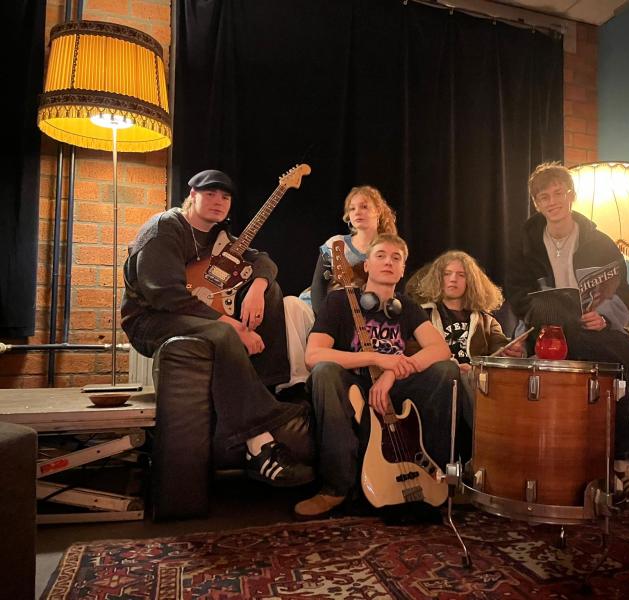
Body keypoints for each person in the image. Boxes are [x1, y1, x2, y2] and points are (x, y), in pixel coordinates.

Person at [121, 169, 313, 487]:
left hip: (190, 314)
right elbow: (164, 294)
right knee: (224, 333)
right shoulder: (165, 227)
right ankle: (261, 445)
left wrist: (257, 287)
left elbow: (262, 260)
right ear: (192, 195)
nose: (218, 201)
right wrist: (232, 325)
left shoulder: (218, 237)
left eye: (225, 197)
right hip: (150, 318)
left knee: (271, 289)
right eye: (210, 194)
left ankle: (267, 387)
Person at [505, 162, 629, 508]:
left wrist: (603, 317)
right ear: (537, 204)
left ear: (571, 195)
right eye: (544, 197)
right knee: (555, 308)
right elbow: (517, 296)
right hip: (547, 330)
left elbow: (625, 293)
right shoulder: (525, 246)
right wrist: (526, 331)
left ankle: (628, 462)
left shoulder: (600, 242)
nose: (552, 202)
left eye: (558, 193)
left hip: (593, 330)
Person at [293, 233, 459, 519]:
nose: (388, 262)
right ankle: (335, 488)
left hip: (394, 385)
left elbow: (440, 349)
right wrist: (376, 358)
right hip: (353, 385)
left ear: (403, 269)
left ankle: (435, 474)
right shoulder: (338, 301)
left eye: (396, 258)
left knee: (447, 371)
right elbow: (314, 355)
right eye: (380, 255)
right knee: (324, 371)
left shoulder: (407, 307)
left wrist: (391, 372)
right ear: (367, 265)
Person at [281, 186, 398, 390]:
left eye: (364, 206)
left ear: (378, 210)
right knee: (290, 303)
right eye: (352, 209)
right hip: (321, 309)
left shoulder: (388, 249)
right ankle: (298, 382)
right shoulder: (336, 244)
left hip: (358, 319)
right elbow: (318, 285)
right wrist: (325, 319)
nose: (357, 212)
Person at [414, 250, 524, 429]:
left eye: (461, 275)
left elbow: (500, 346)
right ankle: (487, 433)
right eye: (447, 274)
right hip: (439, 381)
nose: (453, 279)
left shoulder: (486, 321)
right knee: (456, 374)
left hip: (475, 380)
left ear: (471, 282)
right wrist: (453, 366)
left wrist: (512, 350)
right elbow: (412, 351)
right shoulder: (422, 314)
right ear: (438, 278)